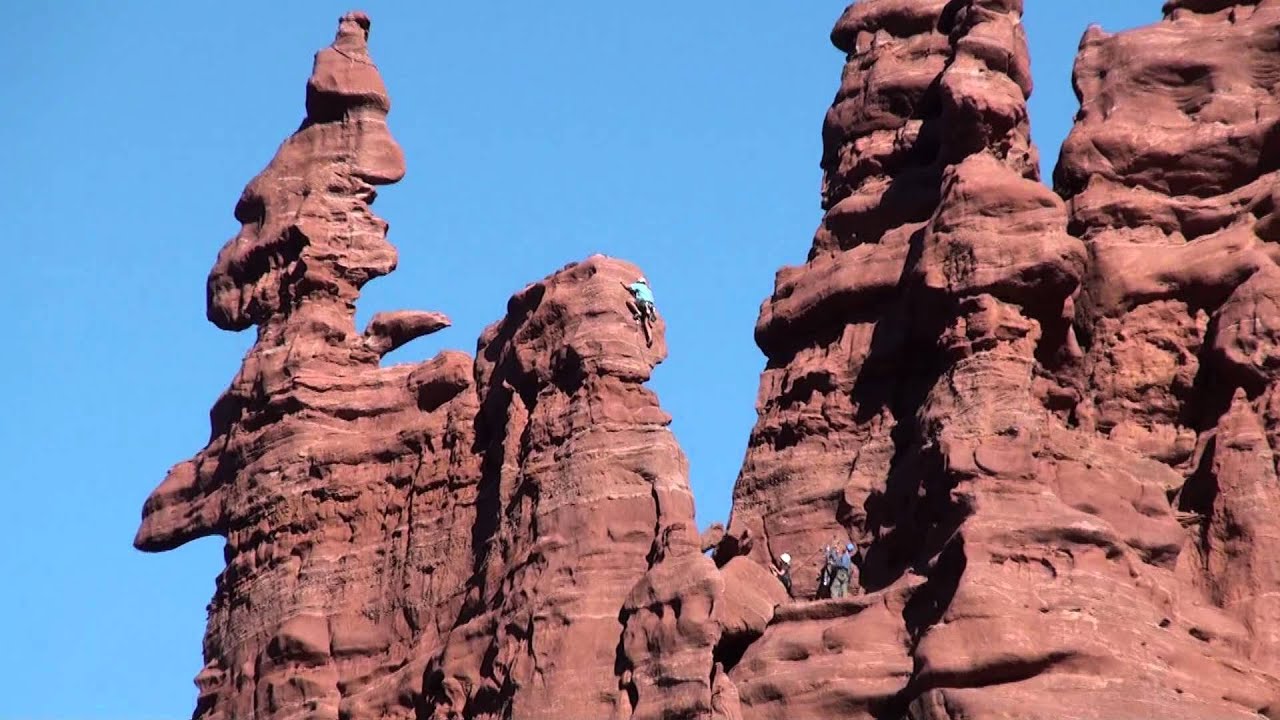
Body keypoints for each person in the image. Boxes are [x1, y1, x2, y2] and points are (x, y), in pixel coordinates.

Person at [622, 277, 658, 346]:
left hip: (643, 304)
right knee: (646, 322)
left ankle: (638, 312)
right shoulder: (648, 290)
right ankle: (650, 338)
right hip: (650, 308)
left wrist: (621, 283)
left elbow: (627, 287)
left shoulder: (639, 285)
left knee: (629, 301)